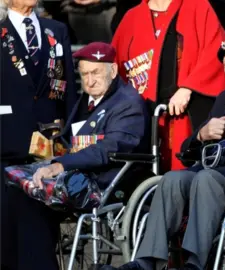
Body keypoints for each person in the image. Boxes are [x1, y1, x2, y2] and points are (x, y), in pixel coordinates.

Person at [102, 36, 225, 270]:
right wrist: (201, 135)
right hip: (211, 172)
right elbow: (187, 153)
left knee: (206, 179)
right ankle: (146, 261)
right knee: (172, 179)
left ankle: (195, 264)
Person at [1, 42, 149, 270]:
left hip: (106, 182)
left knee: (34, 196)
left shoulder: (128, 104)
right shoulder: (87, 100)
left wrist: (59, 165)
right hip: (78, 172)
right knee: (14, 185)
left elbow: (107, 149)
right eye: (84, 74)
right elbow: (70, 140)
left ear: (113, 70)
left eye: (96, 73)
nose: (89, 81)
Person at [0, 0, 77, 266]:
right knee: (8, 231)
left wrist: (68, 134)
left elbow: (68, 91)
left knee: (42, 236)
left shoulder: (56, 30)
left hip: (49, 145)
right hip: (7, 143)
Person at [111, 0, 225, 172]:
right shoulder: (131, 17)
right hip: (143, 116)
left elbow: (217, 51)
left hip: (186, 111)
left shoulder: (197, 6)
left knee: (181, 173)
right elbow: (115, 68)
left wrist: (188, 87)